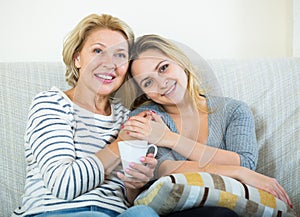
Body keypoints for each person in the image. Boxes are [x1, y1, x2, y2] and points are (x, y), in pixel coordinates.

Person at [121, 34, 293, 208]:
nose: (162, 83)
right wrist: (237, 171)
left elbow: (245, 162)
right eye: (148, 82)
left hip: (229, 205)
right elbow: (163, 170)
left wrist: (169, 138)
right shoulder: (147, 117)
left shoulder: (234, 110)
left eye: (164, 68)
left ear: (180, 62)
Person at [12, 14, 159, 217]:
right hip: (54, 212)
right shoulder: (52, 104)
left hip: (114, 214)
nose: (110, 64)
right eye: (98, 51)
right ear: (77, 58)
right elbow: (64, 185)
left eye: (120, 55)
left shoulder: (127, 116)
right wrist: (120, 144)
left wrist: (136, 184)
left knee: (144, 212)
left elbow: (128, 199)